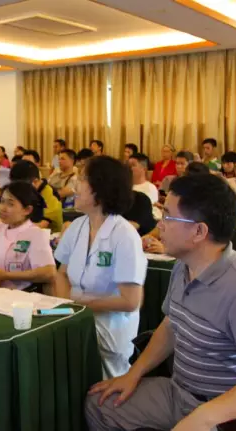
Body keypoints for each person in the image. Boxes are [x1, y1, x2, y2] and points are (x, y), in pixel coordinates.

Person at [87, 173, 236, 431]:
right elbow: (171, 325)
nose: (160, 224)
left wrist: (204, 417)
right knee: (100, 404)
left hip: (233, 413)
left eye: (168, 217)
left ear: (198, 231)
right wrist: (133, 374)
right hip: (181, 395)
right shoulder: (184, 266)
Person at [53, 156, 145, 378]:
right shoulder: (77, 226)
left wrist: (80, 307)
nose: (76, 185)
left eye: (83, 179)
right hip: (77, 318)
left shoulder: (124, 235)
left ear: (101, 189)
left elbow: (131, 301)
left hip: (109, 330)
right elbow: (61, 274)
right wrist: (68, 308)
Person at [0, 182, 57, 290]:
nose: (3, 208)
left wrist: (6, 276)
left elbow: (49, 273)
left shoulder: (36, 234)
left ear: (27, 210)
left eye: (10, 204)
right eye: (2, 201)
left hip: (19, 295)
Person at [11, 161, 63, 232]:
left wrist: (17, 228)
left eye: (22, 187)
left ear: (35, 182)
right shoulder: (25, 193)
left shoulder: (49, 194)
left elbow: (43, 224)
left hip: (49, 235)